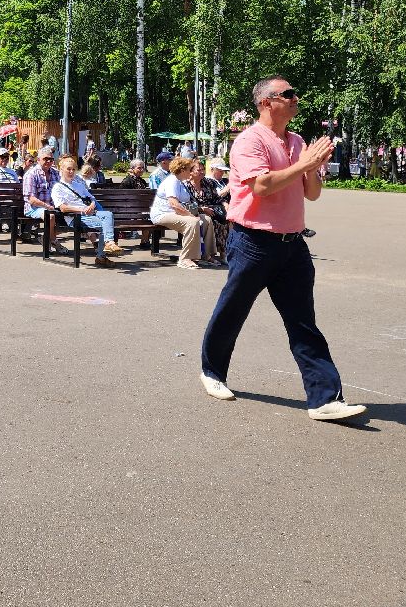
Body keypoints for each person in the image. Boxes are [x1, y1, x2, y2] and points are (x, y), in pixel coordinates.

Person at [198, 76, 365, 422]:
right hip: (253, 242)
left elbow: (312, 193)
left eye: (294, 94)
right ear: (265, 103)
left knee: (303, 322)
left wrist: (315, 166)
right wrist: (305, 163)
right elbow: (262, 186)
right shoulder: (249, 141)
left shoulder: (297, 140)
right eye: (286, 94)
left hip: (293, 245)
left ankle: (324, 399)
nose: (294, 98)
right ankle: (212, 372)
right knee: (233, 311)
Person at [51, 154, 120, 267]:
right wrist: (82, 210)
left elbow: (92, 198)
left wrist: (92, 205)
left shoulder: (78, 185)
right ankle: (102, 254)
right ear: (61, 169)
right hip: (75, 217)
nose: (71, 172)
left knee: (108, 215)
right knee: (105, 225)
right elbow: (63, 208)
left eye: (73, 169)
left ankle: (108, 244)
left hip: (89, 214)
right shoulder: (58, 188)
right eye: (68, 169)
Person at [150, 156, 213, 269]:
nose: (190, 172)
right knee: (192, 222)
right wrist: (190, 216)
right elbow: (174, 204)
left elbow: (187, 203)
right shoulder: (172, 181)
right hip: (163, 214)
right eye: (189, 169)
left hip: (176, 214)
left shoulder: (181, 182)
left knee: (207, 220)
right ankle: (185, 258)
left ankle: (205, 254)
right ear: (182, 170)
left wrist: (198, 211)